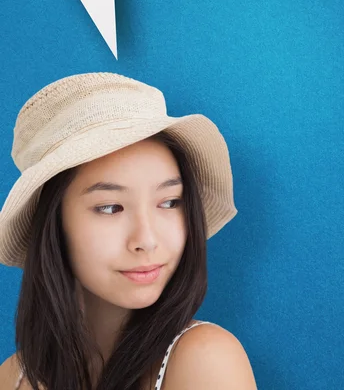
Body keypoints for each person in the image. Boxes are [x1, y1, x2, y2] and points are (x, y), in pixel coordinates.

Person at [0, 72, 257, 389]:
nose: (147, 240)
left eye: (169, 202)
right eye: (110, 207)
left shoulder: (204, 359)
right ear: (54, 224)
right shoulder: (13, 376)